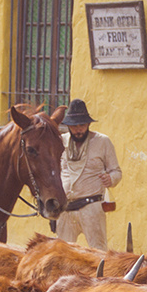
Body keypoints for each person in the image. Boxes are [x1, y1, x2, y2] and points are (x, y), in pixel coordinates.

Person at [54, 99, 121, 250]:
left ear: (88, 124)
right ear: (68, 126)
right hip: (65, 208)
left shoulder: (102, 142)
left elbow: (116, 171)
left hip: (91, 207)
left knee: (98, 252)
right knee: (62, 253)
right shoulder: (61, 142)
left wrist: (110, 179)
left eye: (82, 125)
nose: (78, 130)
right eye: (74, 126)